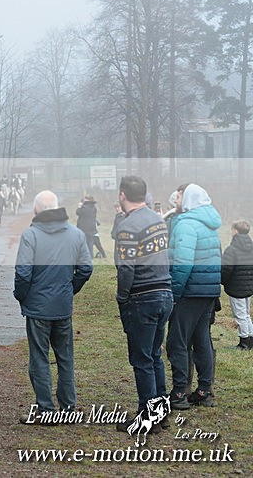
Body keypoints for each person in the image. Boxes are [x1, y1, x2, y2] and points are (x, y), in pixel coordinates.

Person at [14, 190, 92, 418]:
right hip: (62, 306)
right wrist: (69, 289)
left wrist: (22, 296)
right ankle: (68, 407)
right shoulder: (76, 234)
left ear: (36, 210)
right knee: (65, 358)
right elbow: (86, 268)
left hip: (38, 308)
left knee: (39, 358)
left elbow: (23, 273)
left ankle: (45, 409)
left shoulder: (31, 235)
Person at [113, 176, 173, 431]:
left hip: (142, 296)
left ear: (122, 195)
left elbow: (126, 268)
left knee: (141, 359)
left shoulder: (128, 227)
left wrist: (122, 296)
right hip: (164, 292)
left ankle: (147, 417)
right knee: (155, 355)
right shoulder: (159, 220)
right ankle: (160, 413)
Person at [167, 183, 222, 409]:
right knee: (202, 341)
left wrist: (174, 293)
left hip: (189, 291)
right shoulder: (209, 224)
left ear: (188, 198)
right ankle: (204, 390)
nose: (175, 199)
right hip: (208, 290)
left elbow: (182, 263)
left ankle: (180, 392)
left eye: (179, 195)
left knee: (177, 341)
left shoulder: (187, 224)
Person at [220, 220, 253, 350]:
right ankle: (250, 339)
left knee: (240, 315)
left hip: (236, 287)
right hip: (248, 287)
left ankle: (244, 343)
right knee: (246, 314)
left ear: (235, 231)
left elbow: (226, 269)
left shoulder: (231, 249)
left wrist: (223, 281)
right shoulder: (251, 247)